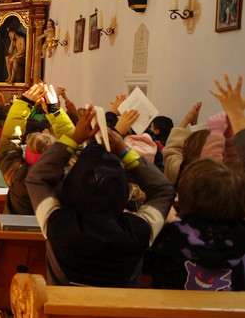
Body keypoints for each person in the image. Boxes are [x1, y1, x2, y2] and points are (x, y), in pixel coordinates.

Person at [25, 106, 175, 287]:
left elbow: (37, 178)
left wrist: (74, 139)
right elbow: (163, 190)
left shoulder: (58, 224)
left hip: (64, 305)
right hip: (120, 306)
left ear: (71, 187)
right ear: (123, 192)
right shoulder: (137, 231)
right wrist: (124, 153)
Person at [144, 158, 245, 291]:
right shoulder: (240, 239)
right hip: (231, 305)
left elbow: (148, 266)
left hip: (169, 303)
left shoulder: (171, 236)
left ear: (185, 197)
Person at [0, 83, 73, 216]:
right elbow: (74, 145)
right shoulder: (68, 175)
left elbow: (8, 141)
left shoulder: (17, 174)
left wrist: (23, 104)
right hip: (54, 229)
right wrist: (54, 110)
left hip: (17, 228)